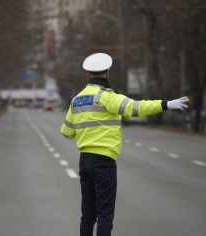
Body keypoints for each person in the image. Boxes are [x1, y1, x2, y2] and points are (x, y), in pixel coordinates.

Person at [60, 53, 189, 236]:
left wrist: (83, 131)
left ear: (88, 75)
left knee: (88, 215)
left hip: (85, 162)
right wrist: (166, 104)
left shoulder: (77, 100)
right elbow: (136, 108)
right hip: (104, 161)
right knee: (105, 214)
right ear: (107, 74)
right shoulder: (107, 97)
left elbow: (66, 132)